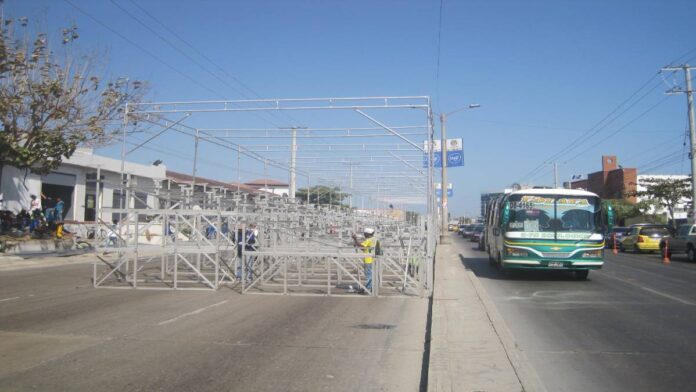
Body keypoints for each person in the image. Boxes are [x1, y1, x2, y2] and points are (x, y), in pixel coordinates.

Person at [352, 227, 379, 293]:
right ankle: (371, 287)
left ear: (368, 234)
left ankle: (368, 289)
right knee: (371, 274)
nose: (364, 235)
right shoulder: (375, 239)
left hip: (368, 260)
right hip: (374, 259)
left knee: (368, 275)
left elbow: (362, 246)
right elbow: (364, 249)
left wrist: (355, 240)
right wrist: (357, 244)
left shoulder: (369, 240)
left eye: (365, 234)